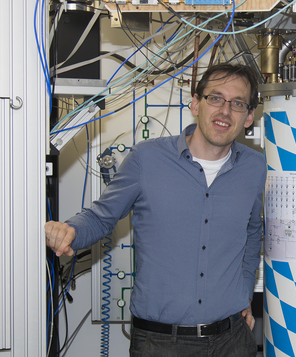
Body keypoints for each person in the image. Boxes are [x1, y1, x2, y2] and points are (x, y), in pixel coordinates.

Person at [45, 63, 266, 356]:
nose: (225, 111)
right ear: (196, 103)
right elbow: (101, 217)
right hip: (159, 343)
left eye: (237, 103)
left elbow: (253, 231)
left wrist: (243, 293)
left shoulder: (256, 167)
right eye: (215, 98)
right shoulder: (146, 159)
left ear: (249, 116)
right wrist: (69, 230)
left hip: (232, 341)